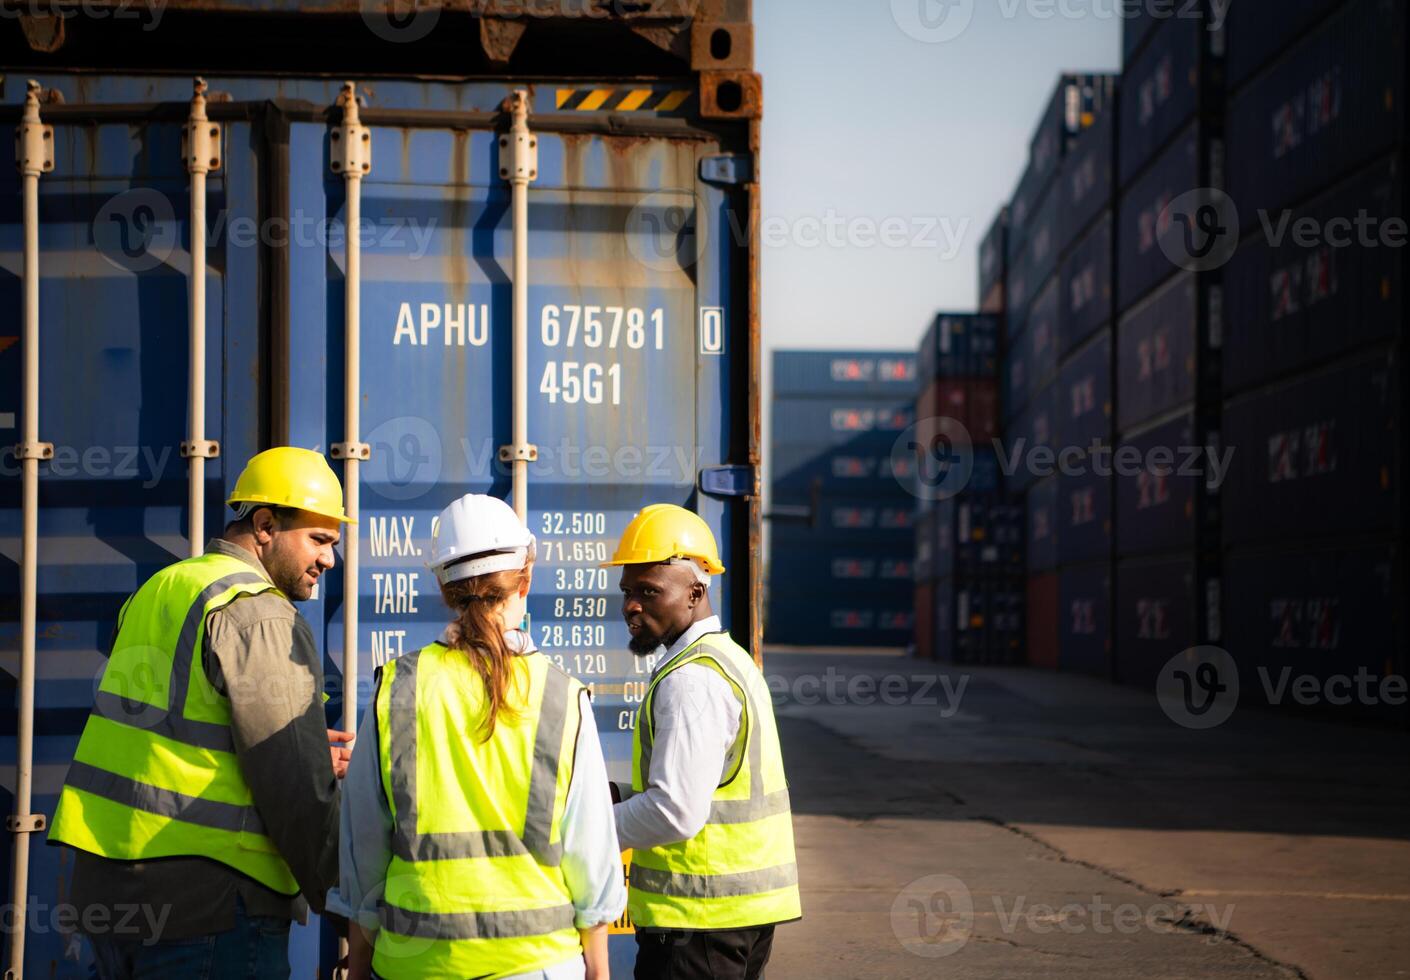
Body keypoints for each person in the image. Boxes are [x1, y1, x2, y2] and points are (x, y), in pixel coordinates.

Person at [48, 446, 355, 979]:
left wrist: (296, 751)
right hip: (211, 904)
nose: (330, 559)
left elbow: (171, 737)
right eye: (319, 539)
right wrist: (346, 905)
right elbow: (294, 791)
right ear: (264, 525)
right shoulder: (258, 613)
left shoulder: (165, 585)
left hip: (114, 895)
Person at [331, 493, 624, 980]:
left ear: (444, 588)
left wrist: (359, 966)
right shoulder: (561, 694)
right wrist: (598, 968)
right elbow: (590, 852)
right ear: (525, 578)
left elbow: (363, 851)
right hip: (539, 966)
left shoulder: (396, 690)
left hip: (414, 965)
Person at [604, 504, 801, 980]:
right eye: (628, 592)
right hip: (731, 919)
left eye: (649, 592)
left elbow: (675, 810)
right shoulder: (726, 659)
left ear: (695, 592)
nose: (632, 605)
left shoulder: (691, 679)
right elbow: (707, 791)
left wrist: (589, 828)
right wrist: (626, 798)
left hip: (699, 924)